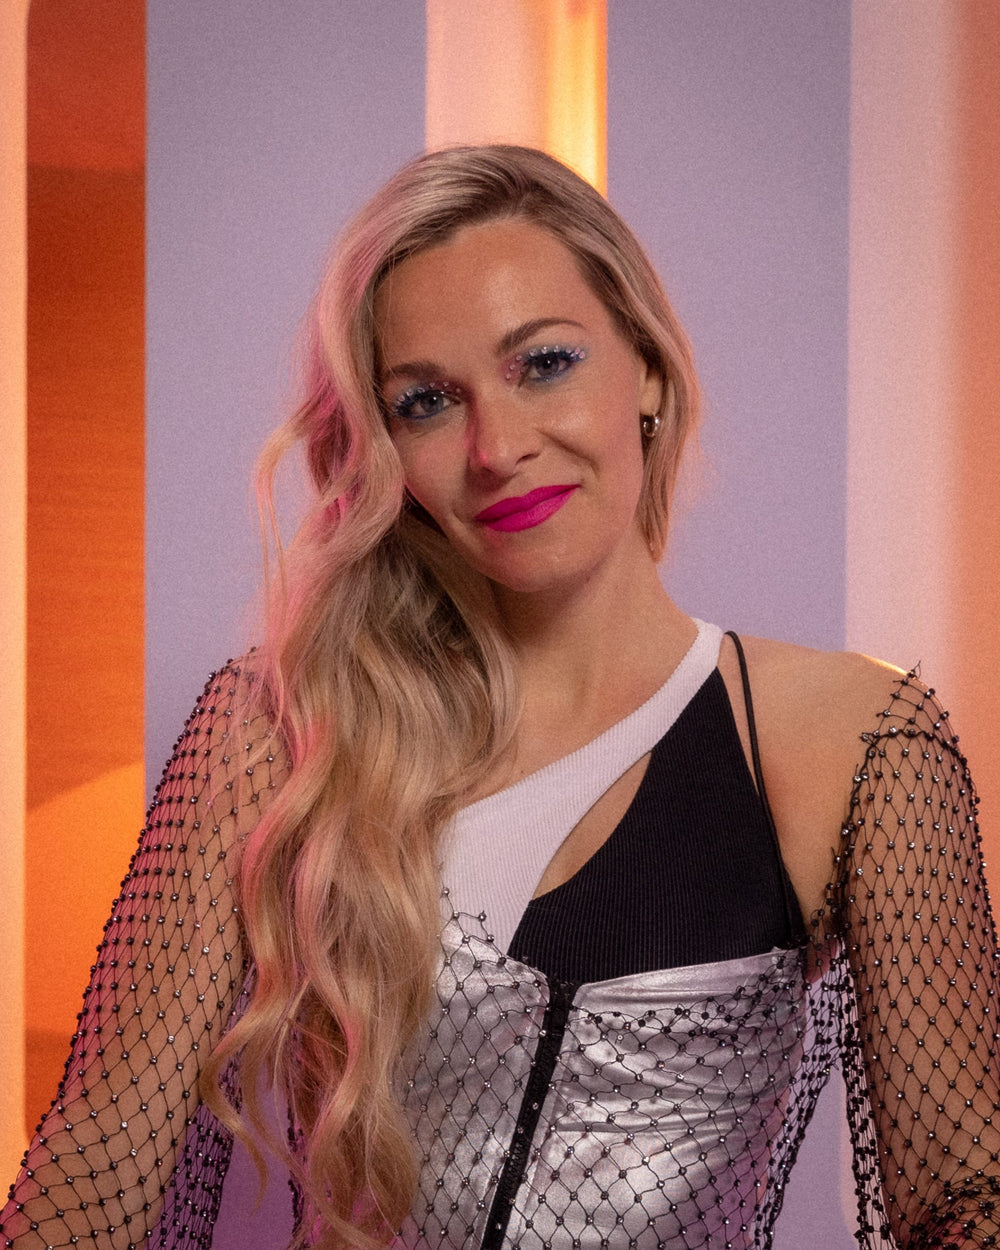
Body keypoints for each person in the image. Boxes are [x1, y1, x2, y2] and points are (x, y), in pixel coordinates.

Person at [3, 144, 998, 1250]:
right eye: (427, 402)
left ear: (647, 370)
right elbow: (91, 1175)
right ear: (385, 445)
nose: (498, 448)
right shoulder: (280, 728)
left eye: (545, 363)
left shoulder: (850, 744)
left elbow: (967, 1198)